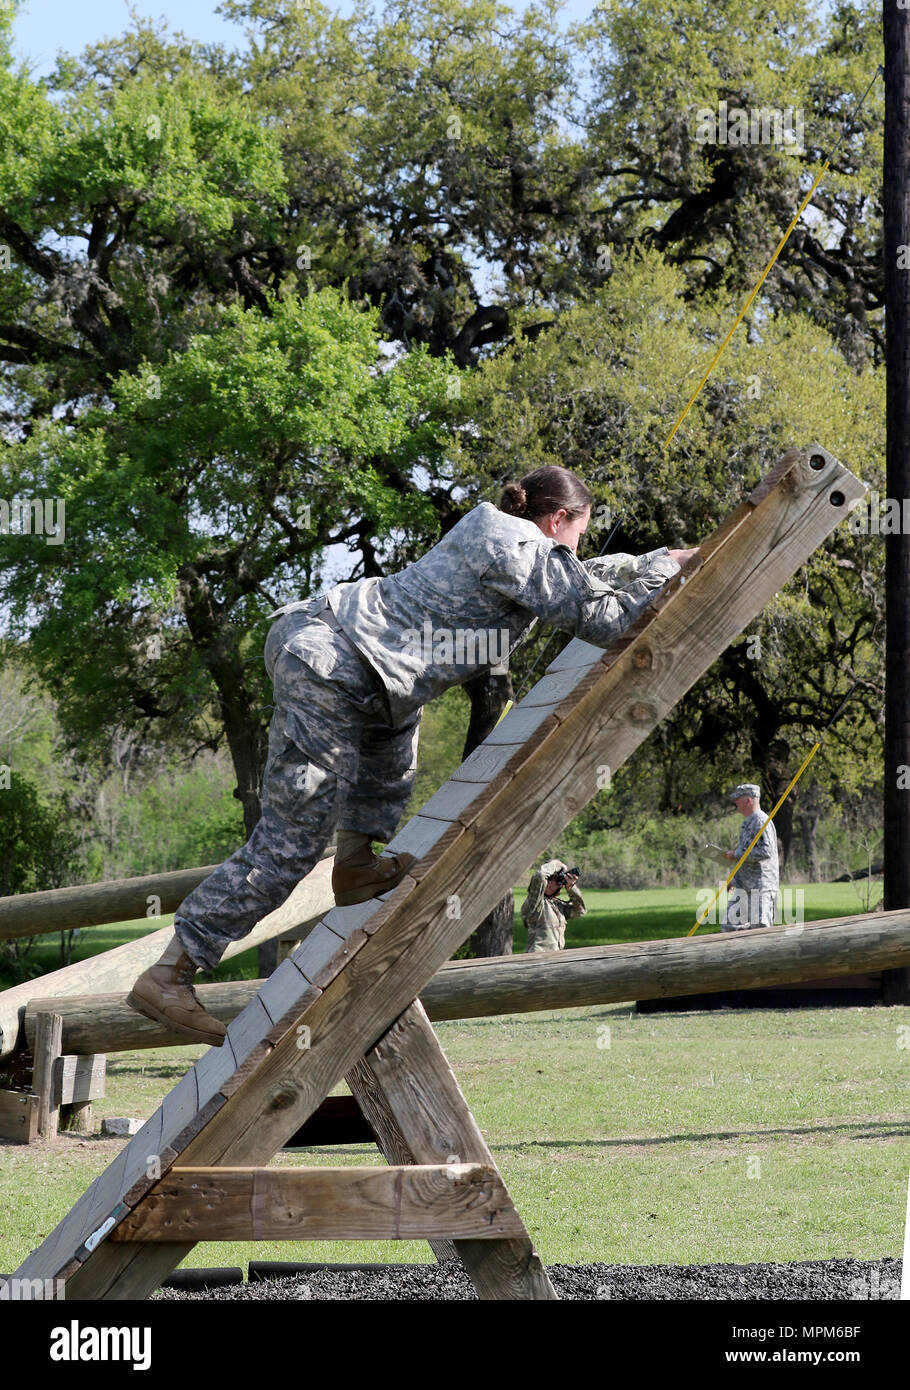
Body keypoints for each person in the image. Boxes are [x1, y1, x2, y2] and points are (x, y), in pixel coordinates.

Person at [127, 465, 699, 1044]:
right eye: (579, 534)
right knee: (291, 841)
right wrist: (659, 571)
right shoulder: (517, 545)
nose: (577, 548)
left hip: (364, 670)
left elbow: (577, 577)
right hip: (330, 663)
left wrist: (666, 557)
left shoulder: (508, 539)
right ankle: (171, 972)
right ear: (558, 521)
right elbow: (604, 616)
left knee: (398, 738)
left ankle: (354, 867)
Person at [721, 782, 779, 930]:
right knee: (730, 927)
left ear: (748, 800)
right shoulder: (748, 822)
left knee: (759, 931)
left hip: (760, 888)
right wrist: (734, 879)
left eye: (738, 798)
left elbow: (767, 851)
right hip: (743, 886)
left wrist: (736, 854)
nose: (735, 801)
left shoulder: (760, 820)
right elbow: (746, 856)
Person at [522, 860, 586, 952]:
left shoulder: (556, 904)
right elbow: (540, 876)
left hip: (555, 956)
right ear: (546, 883)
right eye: (556, 879)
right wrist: (556, 865)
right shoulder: (535, 903)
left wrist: (571, 887)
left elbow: (580, 911)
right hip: (537, 957)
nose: (560, 884)